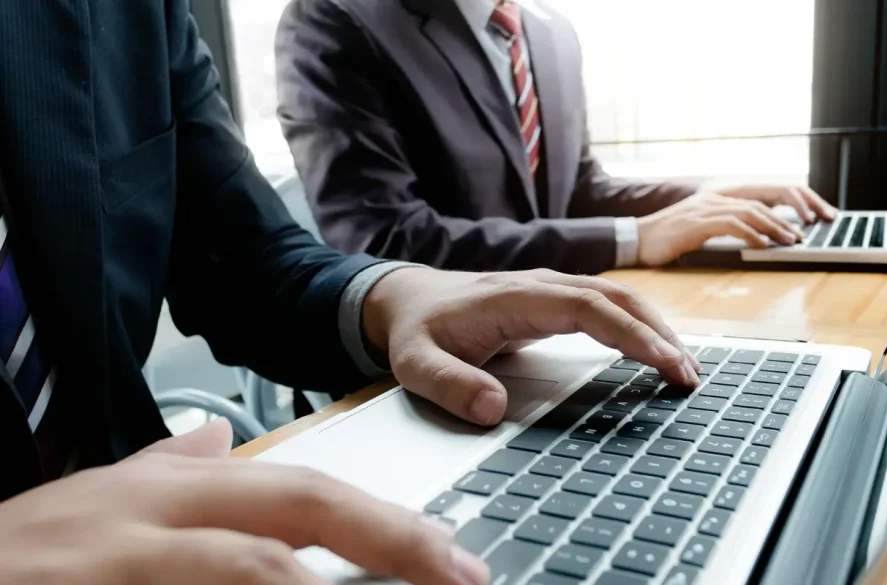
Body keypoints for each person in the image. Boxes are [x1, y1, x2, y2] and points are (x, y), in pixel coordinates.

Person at [0, 1, 701, 583]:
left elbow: (246, 257)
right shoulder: (341, 19)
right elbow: (383, 222)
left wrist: (390, 296)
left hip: (174, 538)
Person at [276, 0, 838, 274]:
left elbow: (580, 190)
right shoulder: (339, 19)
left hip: (563, 336)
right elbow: (385, 242)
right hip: (431, 366)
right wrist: (635, 238)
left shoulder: (550, 33)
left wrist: (707, 196)